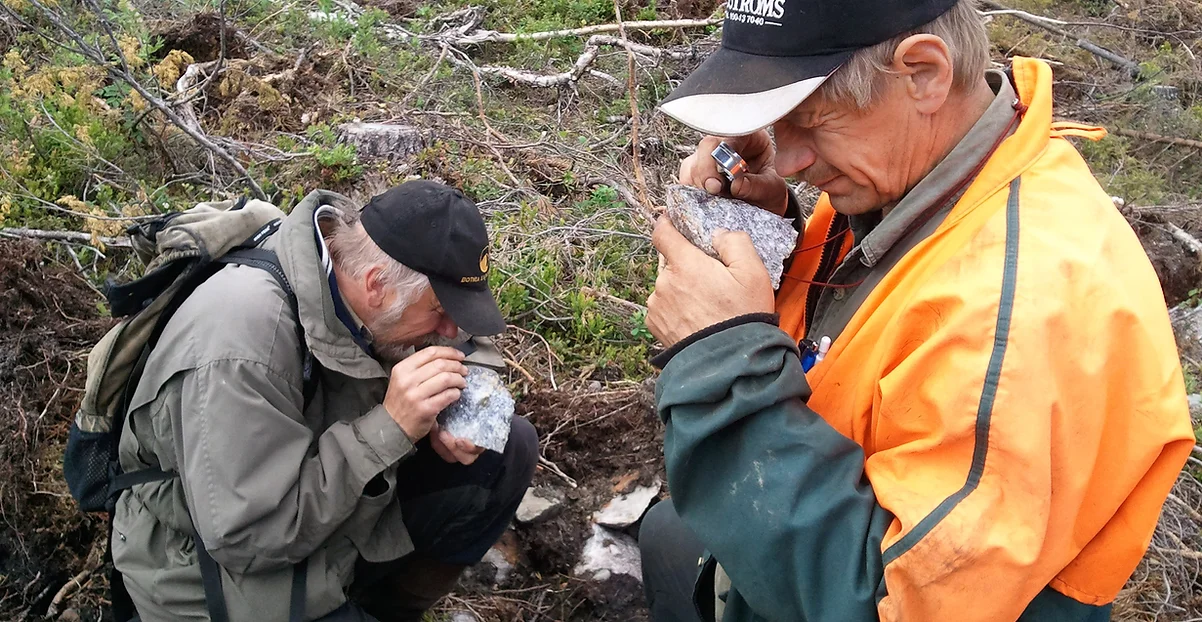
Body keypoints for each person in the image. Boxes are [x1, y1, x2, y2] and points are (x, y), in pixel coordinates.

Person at [638, 0, 1195, 620]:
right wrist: (776, 240)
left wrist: (721, 357)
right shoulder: (932, 176)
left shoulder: (1025, 316)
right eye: (776, 123)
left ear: (924, 73)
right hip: (803, 543)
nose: (789, 160)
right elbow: (865, 329)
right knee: (668, 532)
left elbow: (888, 603)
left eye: (811, 120)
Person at [111, 181, 538, 621]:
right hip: (214, 569)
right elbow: (249, 537)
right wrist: (391, 428)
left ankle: (385, 610)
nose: (452, 331)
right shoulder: (239, 347)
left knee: (509, 450)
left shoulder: (366, 275)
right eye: (441, 312)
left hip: (325, 503)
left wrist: (453, 407)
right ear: (376, 286)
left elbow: (466, 339)